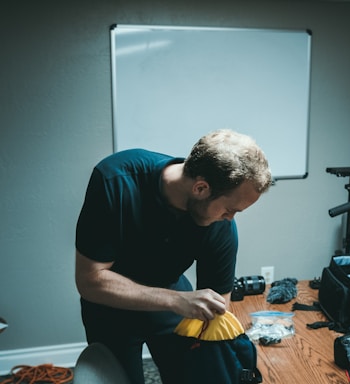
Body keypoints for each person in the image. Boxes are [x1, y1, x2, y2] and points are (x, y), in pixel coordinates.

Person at [75, 129, 272, 383]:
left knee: (194, 374)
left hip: (172, 291)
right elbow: (89, 280)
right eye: (229, 209)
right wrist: (174, 300)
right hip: (110, 301)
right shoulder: (115, 180)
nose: (230, 218)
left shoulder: (221, 226)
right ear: (201, 188)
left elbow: (217, 308)